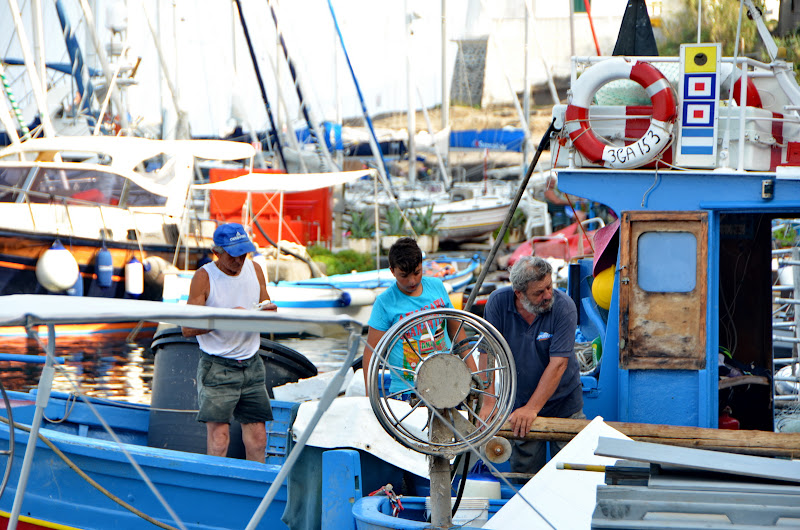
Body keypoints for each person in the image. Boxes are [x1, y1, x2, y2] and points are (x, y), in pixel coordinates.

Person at [182, 222, 277, 462]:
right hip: (217, 365)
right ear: (217, 252)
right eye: (234, 255)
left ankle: (256, 490)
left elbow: (265, 305)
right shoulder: (204, 277)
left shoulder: (255, 269)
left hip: (251, 363)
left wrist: (268, 312)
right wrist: (225, 318)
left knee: (259, 438)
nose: (240, 260)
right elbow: (187, 328)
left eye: (244, 253)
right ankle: (216, 492)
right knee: (219, 438)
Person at [483, 255, 584, 475]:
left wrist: (532, 409)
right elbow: (488, 353)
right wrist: (489, 403)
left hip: (564, 404)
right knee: (525, 475)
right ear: (518, 293)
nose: (548, 295)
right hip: (519, 403)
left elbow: (558, 364)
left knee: (571, 474)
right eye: (539, 292)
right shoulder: (498, 303)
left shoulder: (564, 306)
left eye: (549, 286)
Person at [363, 237, 475, 395]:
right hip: (406, 391)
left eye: (417, 272)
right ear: (392, 271)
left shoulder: (436, 286)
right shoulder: (384, 303)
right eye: (404, 275)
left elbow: (458, 335)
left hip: (448, 383)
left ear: (422, 265)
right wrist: (370, 396)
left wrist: (475, 378)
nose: (412, 281)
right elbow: (371, 352)